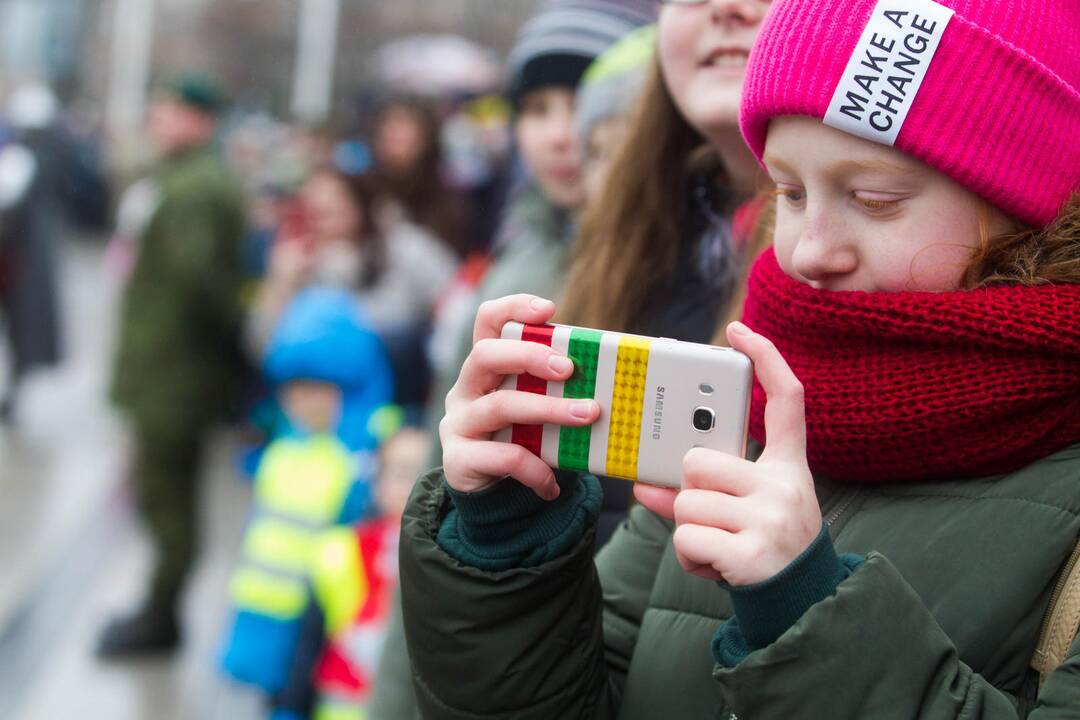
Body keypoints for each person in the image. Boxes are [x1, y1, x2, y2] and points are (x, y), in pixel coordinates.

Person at [400, 0, 1080, 717]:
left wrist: (804, 614)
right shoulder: (747, 421)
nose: (809, 250)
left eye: (874, 198)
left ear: (1030, 205)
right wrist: (506, 538)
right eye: (788, 191)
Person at [100, 74, 248, 657]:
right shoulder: (183, 178)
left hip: (175, 375)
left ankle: (162, 612)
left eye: (170, 111)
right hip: (165, 369)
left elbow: (205, 285)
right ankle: (160, 604)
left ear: (200, 119)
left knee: (164, 494)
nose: (157, 121)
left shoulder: (197, 188)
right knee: (161, 491)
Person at [220, 286, 393, 694]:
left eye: (319, 390)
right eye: (296, 391)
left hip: (319, 615)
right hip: (263, 605)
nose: (304, 403)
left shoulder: (358, 456)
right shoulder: (282, 443)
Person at [247, 167, 456, 410]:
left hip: (405, 403)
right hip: (319, 421)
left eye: (331, 211)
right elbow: (261, 349)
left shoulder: (404, 247)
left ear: (360, 206)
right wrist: (281, 283)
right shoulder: (296, 268)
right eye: (314, 214)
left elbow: (454, 301)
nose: (324, 224)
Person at [370, 98, 475, 258]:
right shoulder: (364, 193)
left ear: (426, 139)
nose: (395, 132)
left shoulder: (450, 205)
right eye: (389, 125)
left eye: (405, 126)